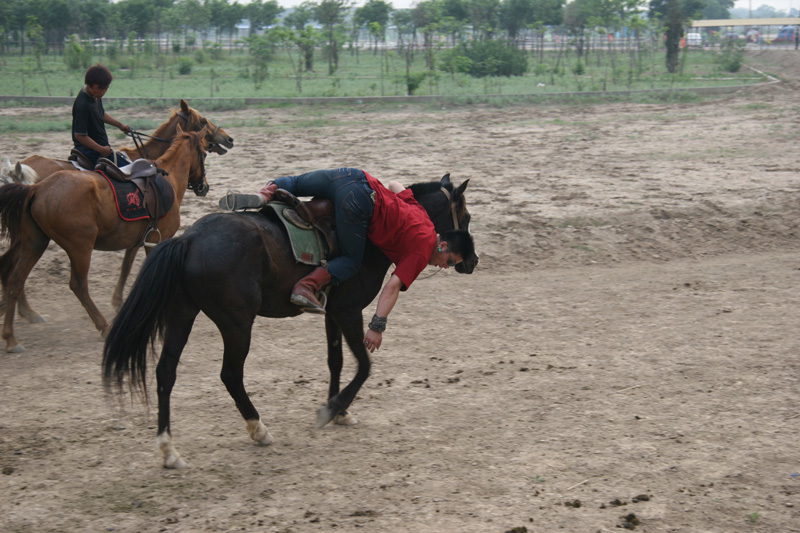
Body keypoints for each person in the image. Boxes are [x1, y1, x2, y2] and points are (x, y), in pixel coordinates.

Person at [218, 168, 474, 352]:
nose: (444, 266)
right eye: (450, 261)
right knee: (351, 262)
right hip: (358, 202)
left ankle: (264, 194)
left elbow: (396, 185)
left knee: (293, 182)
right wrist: (377, 326)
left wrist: (395, 204)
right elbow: (392, 287)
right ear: (443, 245)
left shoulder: (419, 214)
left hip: (353, 176)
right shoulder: (421, 250)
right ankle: (307, 286)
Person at [72, 64, 132, 168]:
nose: (103, 92)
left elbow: (101, 114)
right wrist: (101, 149)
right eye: (100, 89)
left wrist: (120, 125)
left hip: (100, 147)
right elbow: (80, 136)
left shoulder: (95, 95)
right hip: (89, 151)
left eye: (106, 88)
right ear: (89, 85)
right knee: (129, 169)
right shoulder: (83, 105)